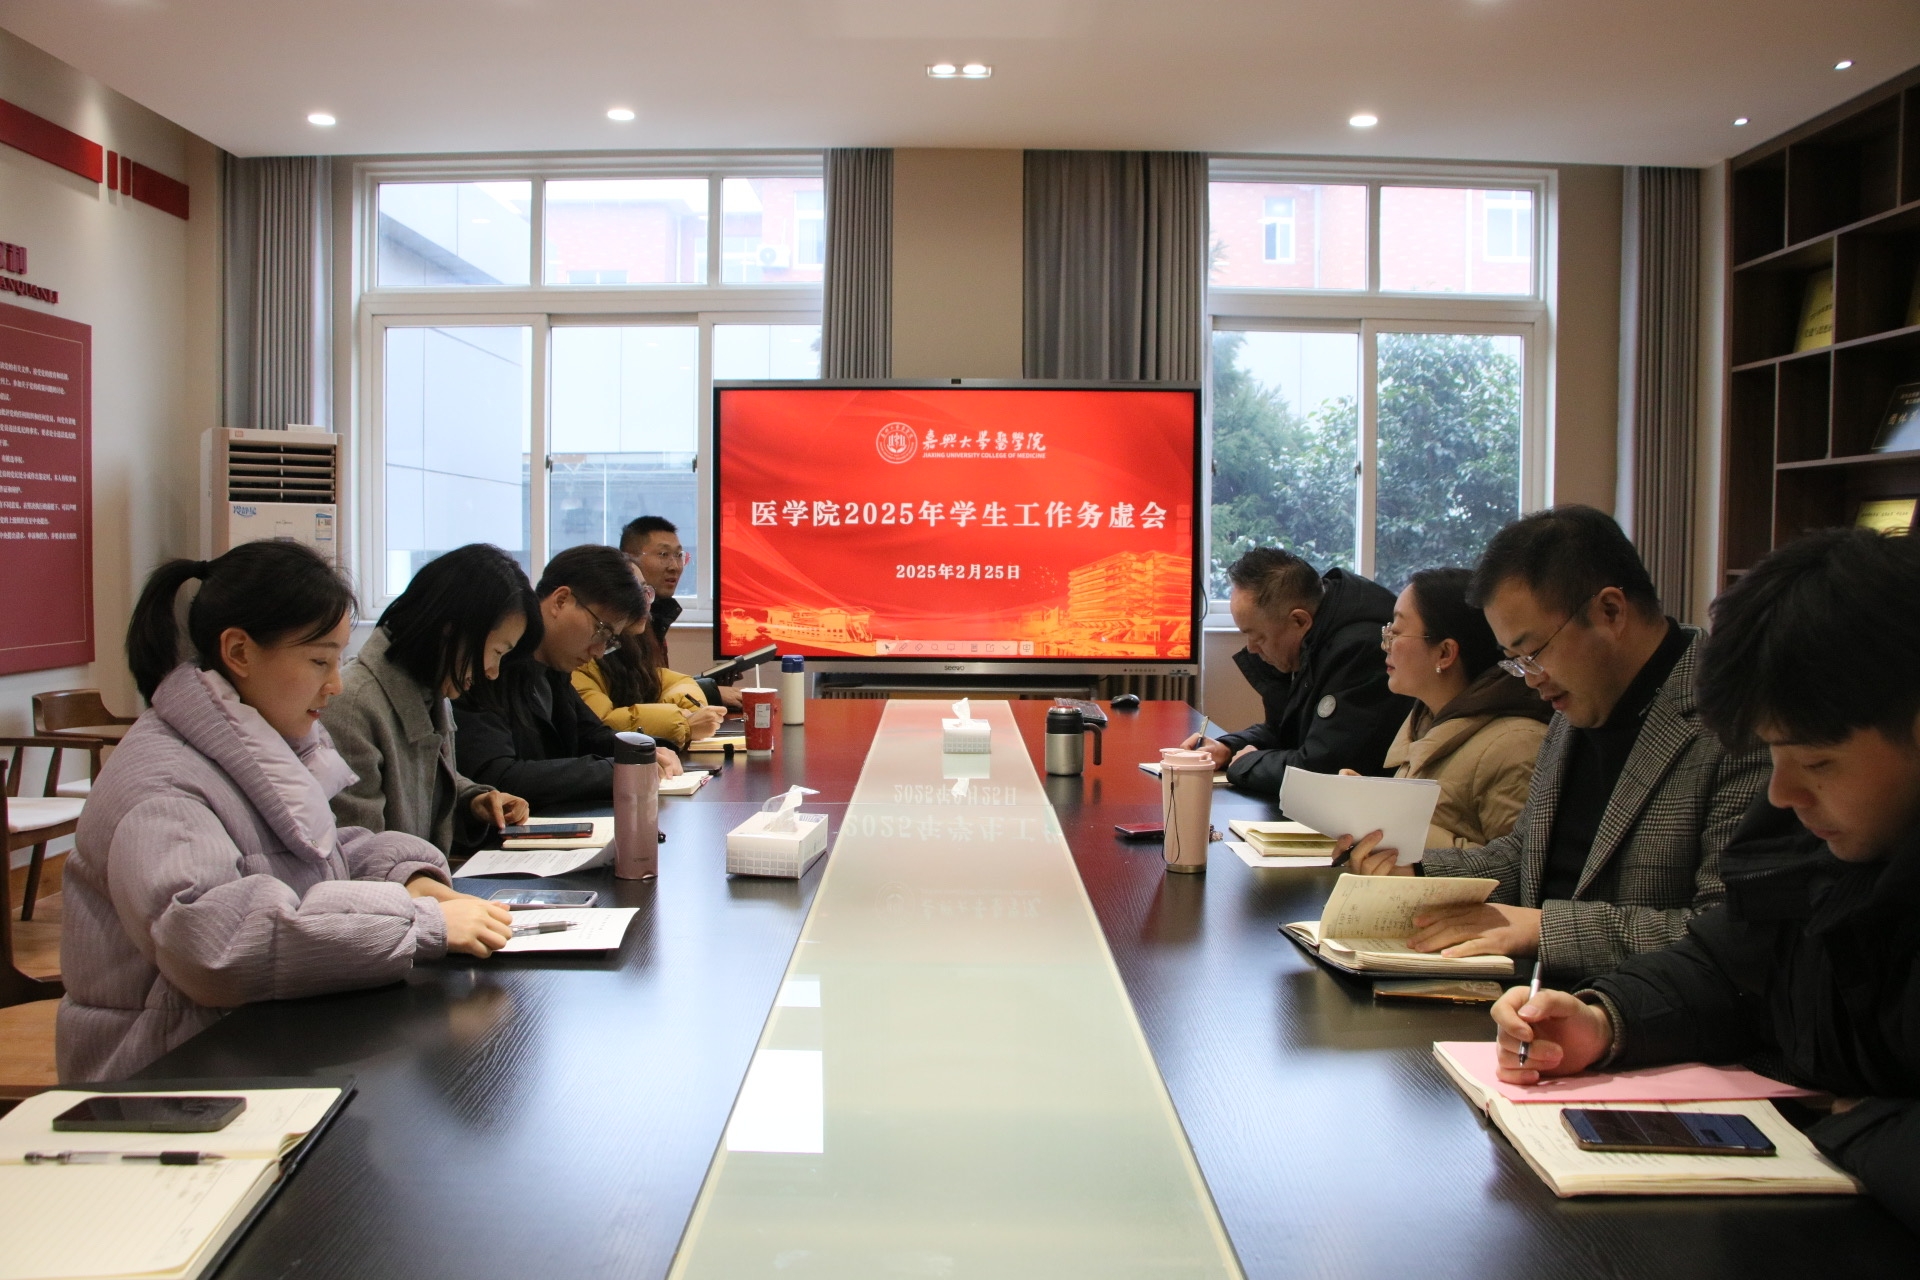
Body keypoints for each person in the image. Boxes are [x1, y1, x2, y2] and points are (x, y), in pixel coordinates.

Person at [1492, 527, 1920, 1231]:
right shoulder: (1811, 837)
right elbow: (1728, 961)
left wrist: (1850, 1123)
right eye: (1774, 755)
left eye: (1817, 762)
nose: (1782, 794)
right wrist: (1603, 1020)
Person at [58, 541, 513, 1083]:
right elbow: (213, 943)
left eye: (338, 660)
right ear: (239, 652)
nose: (335, 684)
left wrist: (408, 878)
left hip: (243, 1042)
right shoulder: (164, 784)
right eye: (319, 661)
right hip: (166, 1073)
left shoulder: (258, 738)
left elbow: (320, 851)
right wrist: (418, 923)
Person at [1346, 506, 1769, 983]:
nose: (1530, 679)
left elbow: (1728, 933)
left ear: (1610, 611)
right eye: (1515, 660)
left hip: (1636, 1011)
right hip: (1529, 994)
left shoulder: (1738, 720)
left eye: (1533, 652)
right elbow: (1526, 855)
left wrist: (1543, 929)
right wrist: (1418, 875)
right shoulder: (1577, 703)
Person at [322, 543, 535, 855]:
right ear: (451, 630)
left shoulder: (431, 690)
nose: (493, 672)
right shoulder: (353, 708)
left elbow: (426, 783)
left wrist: (474, 800)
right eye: (497, 651)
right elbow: (362, 855)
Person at [454, 544, 679, 808]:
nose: (599, 651)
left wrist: (648, 750)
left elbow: (590, 735)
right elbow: (496, 775)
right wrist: (617, 770)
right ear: (560, 600)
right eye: (601, 631)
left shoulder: (553, 666)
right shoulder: (491, 664)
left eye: (610, 640)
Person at [1178, 547, 1411, 795]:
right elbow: (1284, 731)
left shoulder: (1361, 651)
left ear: (1299, 620)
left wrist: (1245, 764)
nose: (1252, 648)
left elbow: (1323, 769)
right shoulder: (1319, 629)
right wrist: (1228, 748)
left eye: (1258, 636)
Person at [1378, 567, 1551, 847]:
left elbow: (1519, 866)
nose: (1386, 645)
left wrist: (1392, 827)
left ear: (1445, 653)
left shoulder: (1516, 746)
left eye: (1396, 632)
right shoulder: (1425, 723)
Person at [573, 586, 727, 749]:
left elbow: (669, 681)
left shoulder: (630, 644)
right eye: (635, 590)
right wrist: (683, 723)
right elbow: (600, 726)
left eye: (647, 591)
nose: (645, 600)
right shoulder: (579, 661)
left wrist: (688, 709)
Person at [621, 514, 743, 709]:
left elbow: (655, 686)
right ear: (629, 558)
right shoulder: (622, 621)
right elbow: (637, 696)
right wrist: (708, 692)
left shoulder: (657, 614)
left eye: (679, 556)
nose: (675, 566)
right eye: (663, 555)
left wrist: (707, 685)